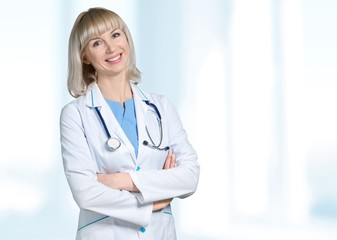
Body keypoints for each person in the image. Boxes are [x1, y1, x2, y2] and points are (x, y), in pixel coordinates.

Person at [60, 7, 200, 240]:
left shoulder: (160, 107)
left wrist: (121, 181)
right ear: (84, 56)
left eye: (115, 35)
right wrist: (155, 201)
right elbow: (85, 192)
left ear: (126, 37)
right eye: (97, 43)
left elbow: (190, 176)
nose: (111, 48)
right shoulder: (75, 115)